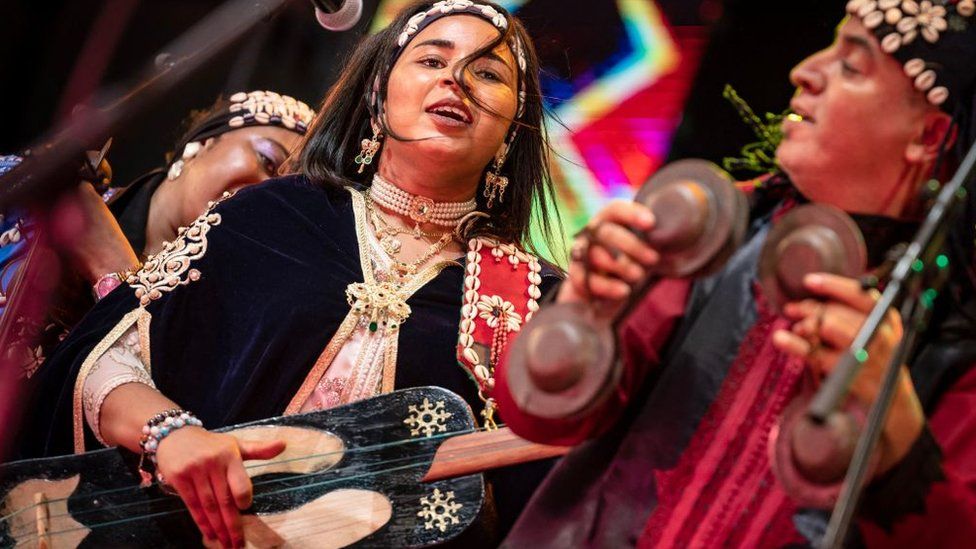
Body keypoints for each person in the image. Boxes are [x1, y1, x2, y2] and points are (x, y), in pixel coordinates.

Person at [17, 1, 560, 547]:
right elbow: (107, 352)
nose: (456, 81)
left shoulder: (531, 300)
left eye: (487, 73)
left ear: (512, 130)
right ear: (376, 98)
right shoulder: (271, 215)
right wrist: (169, 434)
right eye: (431, 61)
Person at [494, 1, 976, 546]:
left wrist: (902, 441)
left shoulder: (956, 340)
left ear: (930, 137)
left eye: (852, 66)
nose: (805, 71)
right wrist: (582, 315)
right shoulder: (714, 231)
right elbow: (538, 418)